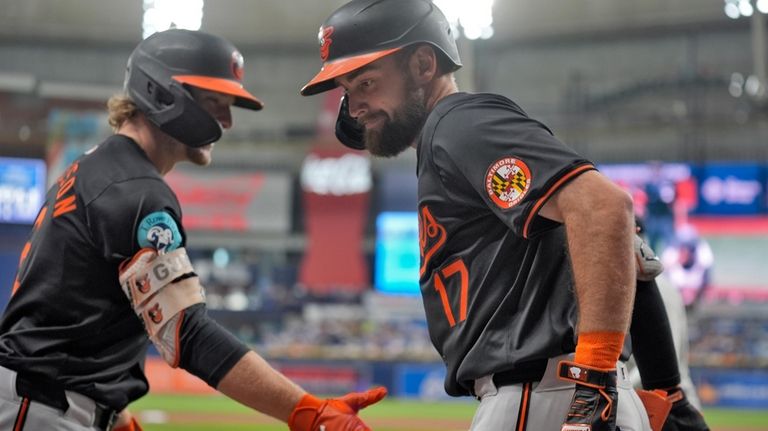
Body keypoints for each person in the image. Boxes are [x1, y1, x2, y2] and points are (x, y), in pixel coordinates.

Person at [0, 29, 385, 431]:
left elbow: (79, 317)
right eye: (215, 103)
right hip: (41, 408)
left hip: (40, 402)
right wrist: (307, 410)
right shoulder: (137, 190)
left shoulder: (100, 169)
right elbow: (187, 331)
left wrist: (114, 414)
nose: (227, 121)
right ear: (163, 93)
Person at [302, 1, 646, 430]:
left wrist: (594, 381)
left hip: (541, 395)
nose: (354, 108)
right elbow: (631, 252)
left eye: (367, 83)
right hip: (548, 391)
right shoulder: (448, 141)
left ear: (424, 64)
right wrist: (664, 385)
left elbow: (605, 208)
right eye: (348, 91)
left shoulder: (460, 123)